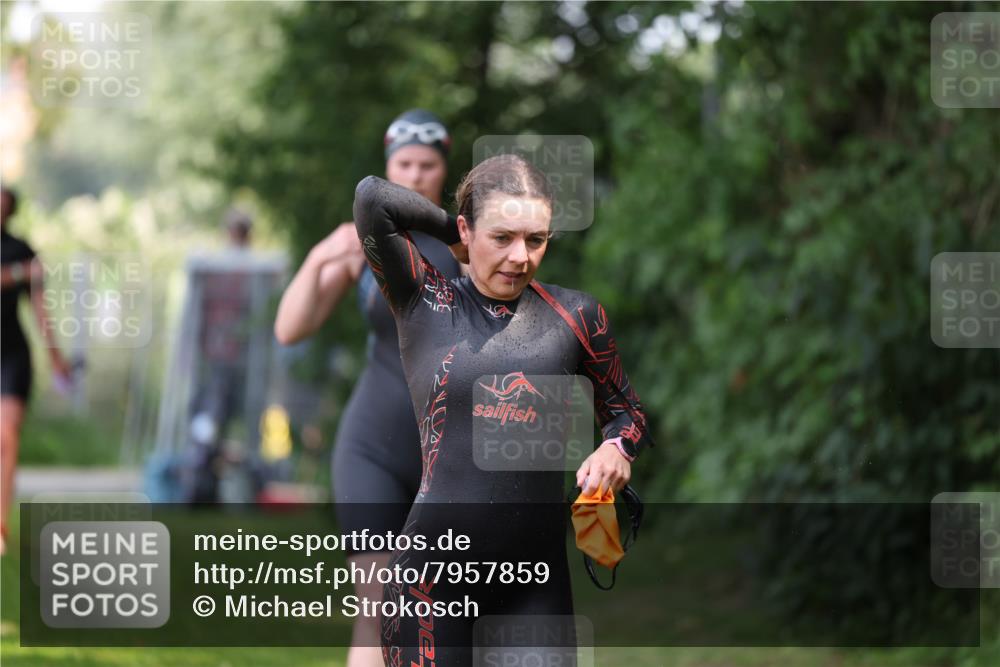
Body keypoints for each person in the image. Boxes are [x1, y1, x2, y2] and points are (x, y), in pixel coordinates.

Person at [352, 154, 652, 665]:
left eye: (536, 240)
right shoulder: (425, 300)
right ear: (467, 230)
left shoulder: (576, 316)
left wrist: (616, 450)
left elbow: (628, 414)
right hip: (431, 587)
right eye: (502, 237)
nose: (520, 257)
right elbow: (372, 198)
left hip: (535, 587)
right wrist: (454, 233)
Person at [274, 110, 461, 666]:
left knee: (445, 612)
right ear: (387, 168)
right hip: (372, 444)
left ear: (444, 169)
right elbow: (289, 329)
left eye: (427, 165)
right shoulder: (365, 244)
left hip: (449, 452)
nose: (415, 175)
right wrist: (322, 254)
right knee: (377, 610)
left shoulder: (468, 243)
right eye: (404, 164)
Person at [0, 186, 71, 555]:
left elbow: (41, 310)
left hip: (11, 354)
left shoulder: (22, 250)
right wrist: (18, 273)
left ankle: (0, 526)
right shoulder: (21, 264)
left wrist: (56, 357)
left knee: (7, 435)